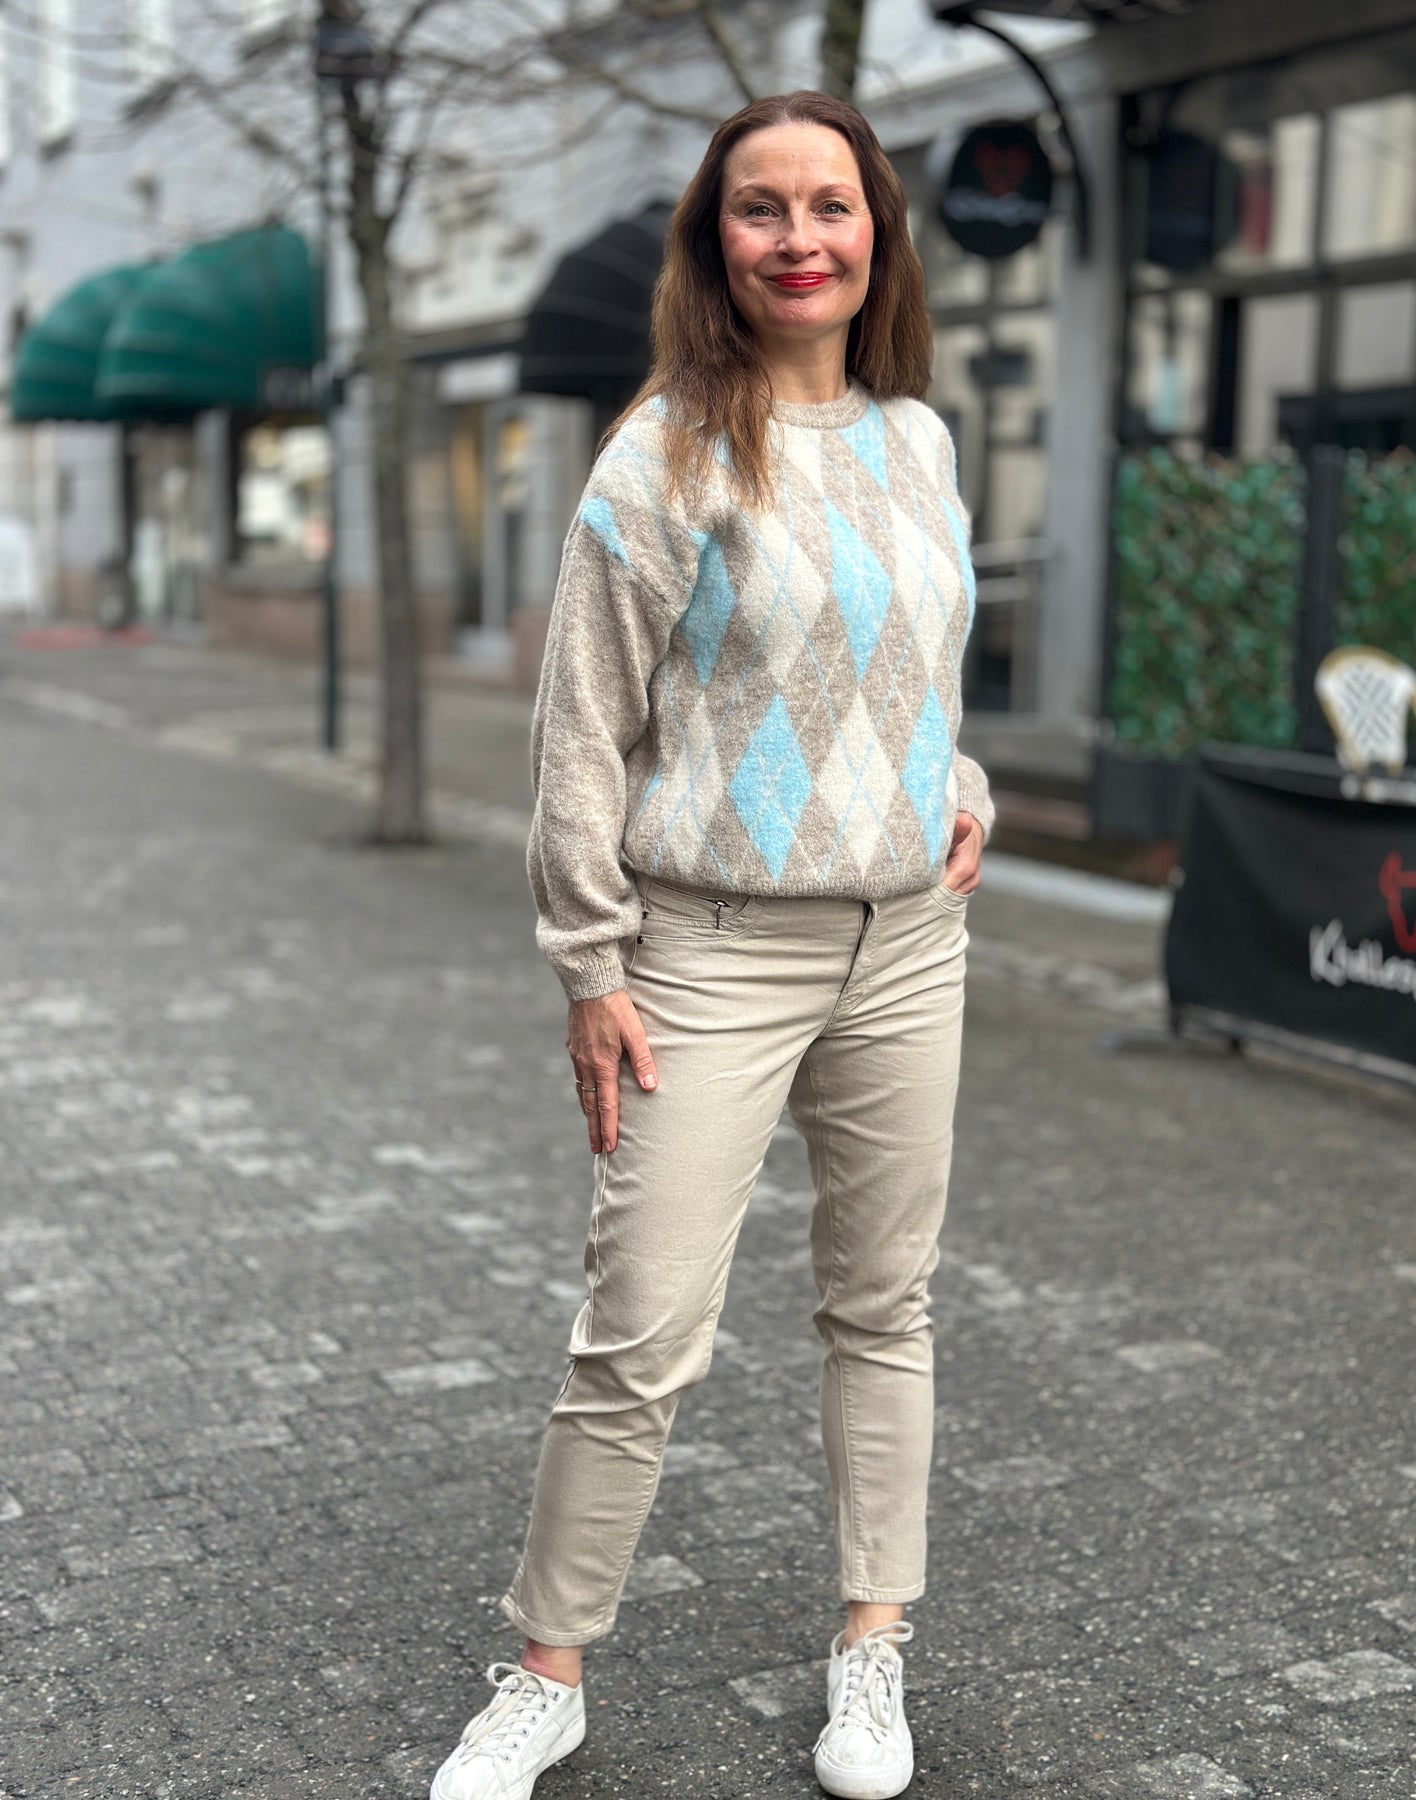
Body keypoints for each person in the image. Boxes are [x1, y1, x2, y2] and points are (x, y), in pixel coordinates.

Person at [430, 88, 992, 1800]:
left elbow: (919, 669)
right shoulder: (661, 455)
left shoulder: (921, 442)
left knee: (883, 1305)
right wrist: (591, 967)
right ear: (716, 241)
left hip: (910, 944)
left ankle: (873, 1645)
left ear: (877, 234)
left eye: (832, 205)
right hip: (710, 950)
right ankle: (546, 1674)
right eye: (763, 208)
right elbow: (580, 736)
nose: (800, 237)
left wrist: (960, 781)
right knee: (642, 1330)